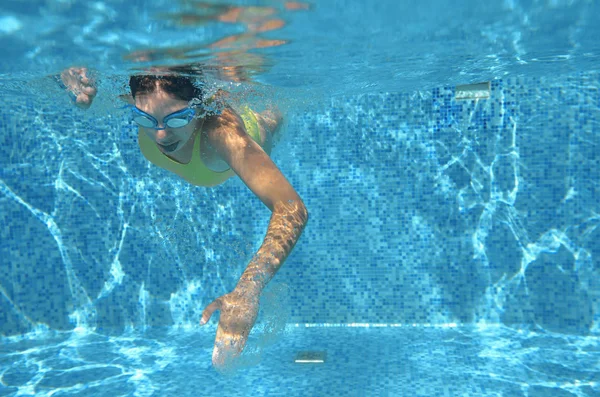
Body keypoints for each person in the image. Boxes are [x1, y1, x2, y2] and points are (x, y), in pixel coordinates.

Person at [59, 66, 308, 370]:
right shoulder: (150, 105)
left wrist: (247, 291)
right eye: (146, 120)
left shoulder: (221, 134)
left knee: (271, 117)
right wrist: (68, 81)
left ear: (201, 106)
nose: (161, 134)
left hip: (255, 132)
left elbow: (291, 208)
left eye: (177, 118)